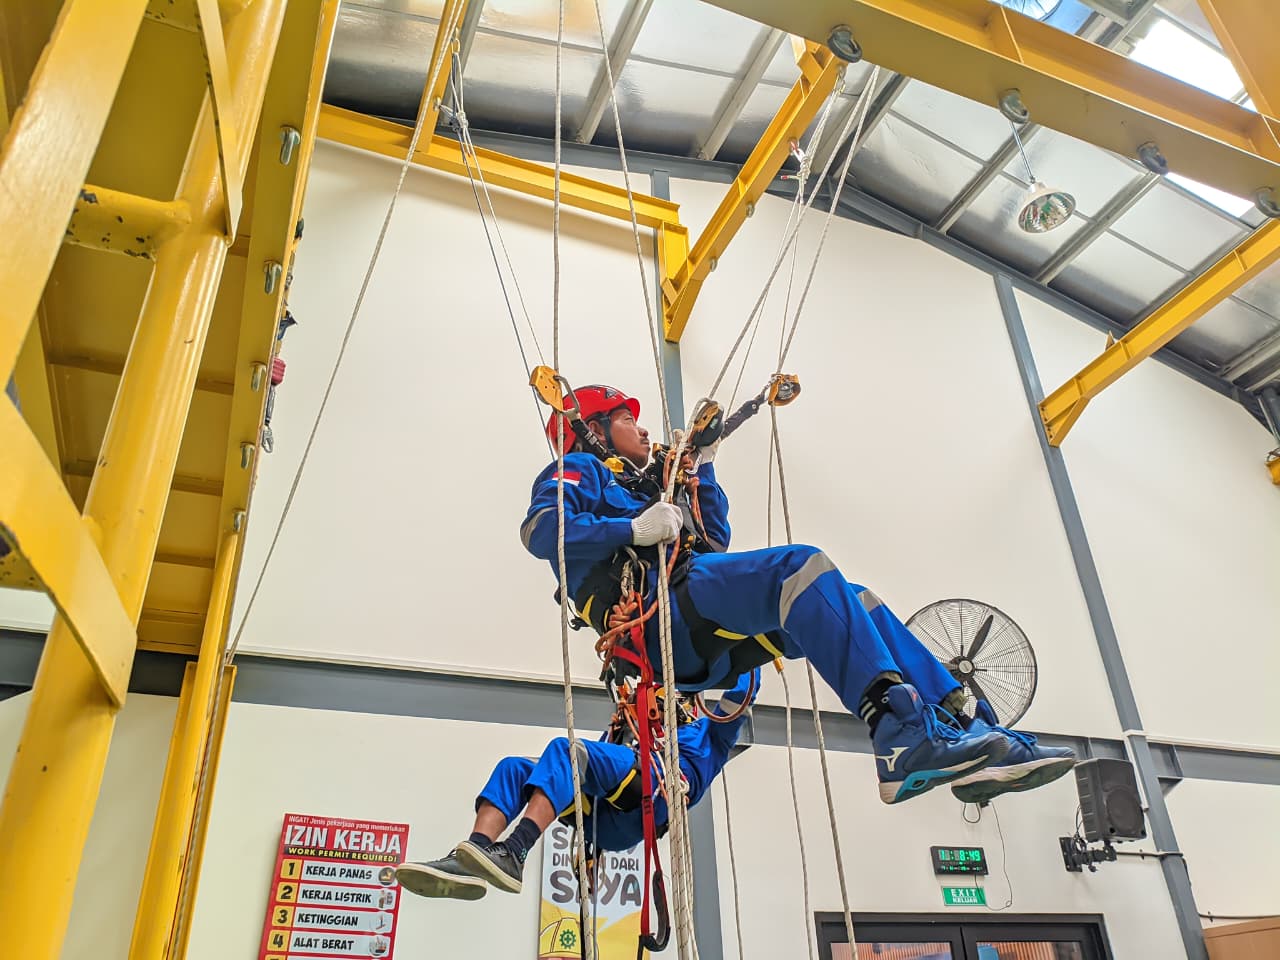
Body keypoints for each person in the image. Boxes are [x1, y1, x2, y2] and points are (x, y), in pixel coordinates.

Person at [520, 384, 1074, 806]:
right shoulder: (579, 469)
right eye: (626, 420)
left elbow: (714, 541)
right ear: (592, 431)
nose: (643, 431)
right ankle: (897, 733)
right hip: (661, 617)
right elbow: (541, 531)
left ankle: (962, 723)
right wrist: (632, 529)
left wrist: (703, 468)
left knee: (855, 601)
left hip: (700, 629)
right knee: (802, 567)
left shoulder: (647, 487)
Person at [395, 670, 759, 901]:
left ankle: (515, 852)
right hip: (605, 815)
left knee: (567, 752)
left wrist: (748, 648)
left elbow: (744, 691)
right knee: (513, 768)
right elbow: (594, 767)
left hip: (649, 798)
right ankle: (472, 855)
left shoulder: (711, 735)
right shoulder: (632, 733)